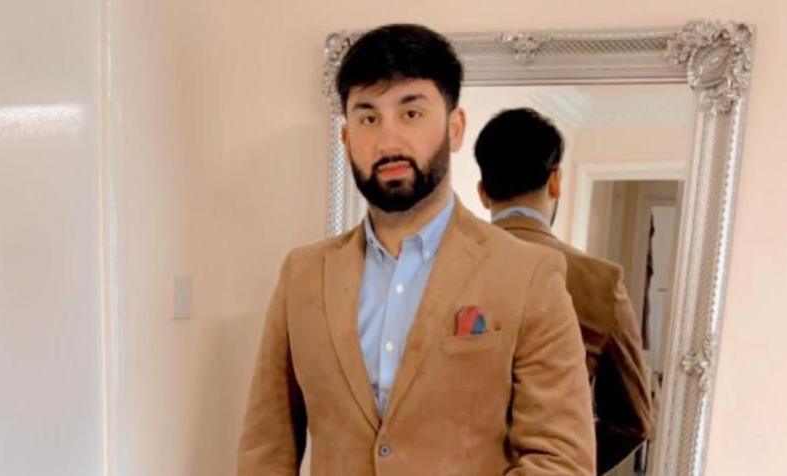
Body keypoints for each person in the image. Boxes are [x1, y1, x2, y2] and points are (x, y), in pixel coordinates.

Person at [238, 25, 595, 475]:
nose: (388, 142)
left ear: (455, 127)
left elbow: (559, 460)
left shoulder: (527, 273)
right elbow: (265, 447)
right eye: (368, 118)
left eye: (411, 114)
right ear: (347, 140)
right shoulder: (303, 275)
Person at [474, 107, 653, 474]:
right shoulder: (599, 281)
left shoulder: (442, 270)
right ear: (555, 182)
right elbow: (634, 420)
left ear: (482, 192)